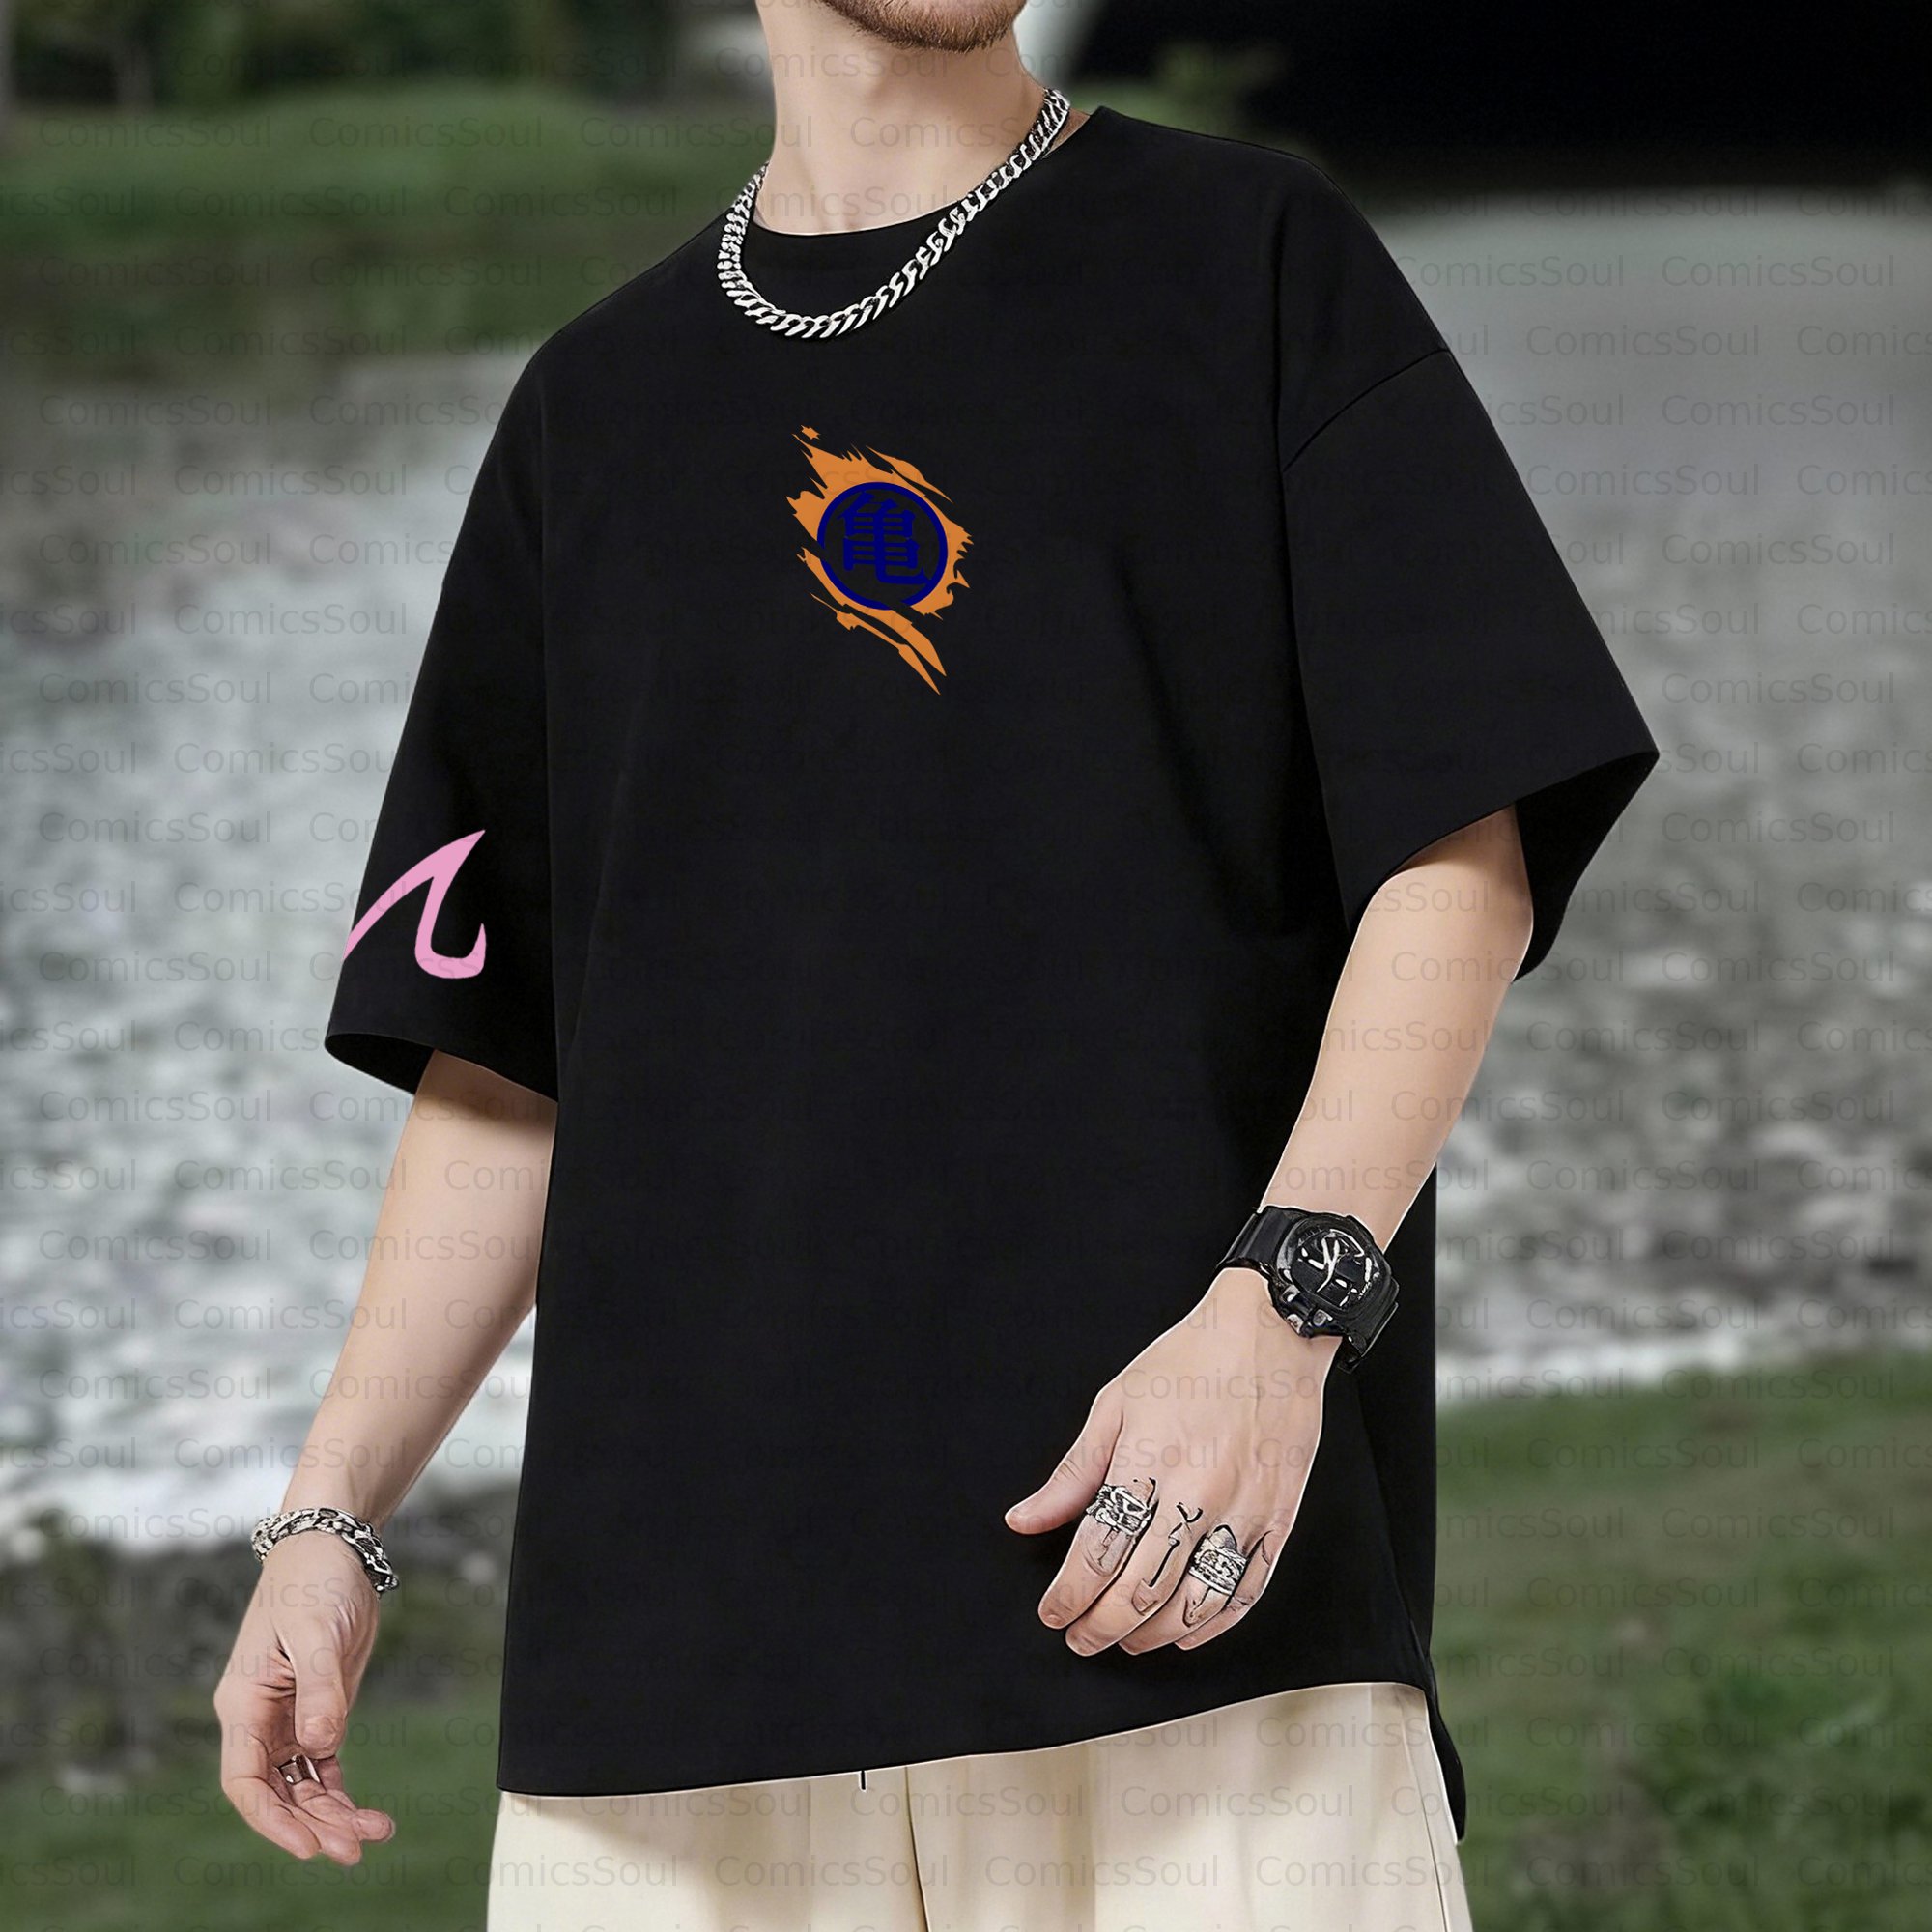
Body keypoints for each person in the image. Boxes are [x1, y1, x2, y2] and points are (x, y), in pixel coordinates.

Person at [213, 3, 1660, 1926]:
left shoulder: (1248, 259)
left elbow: (1458, 844)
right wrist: (330, 1513)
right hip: (673, 1684)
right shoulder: (590, 412)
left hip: (1181, 1602)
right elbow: (506, 1062)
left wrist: (1283, 1309)